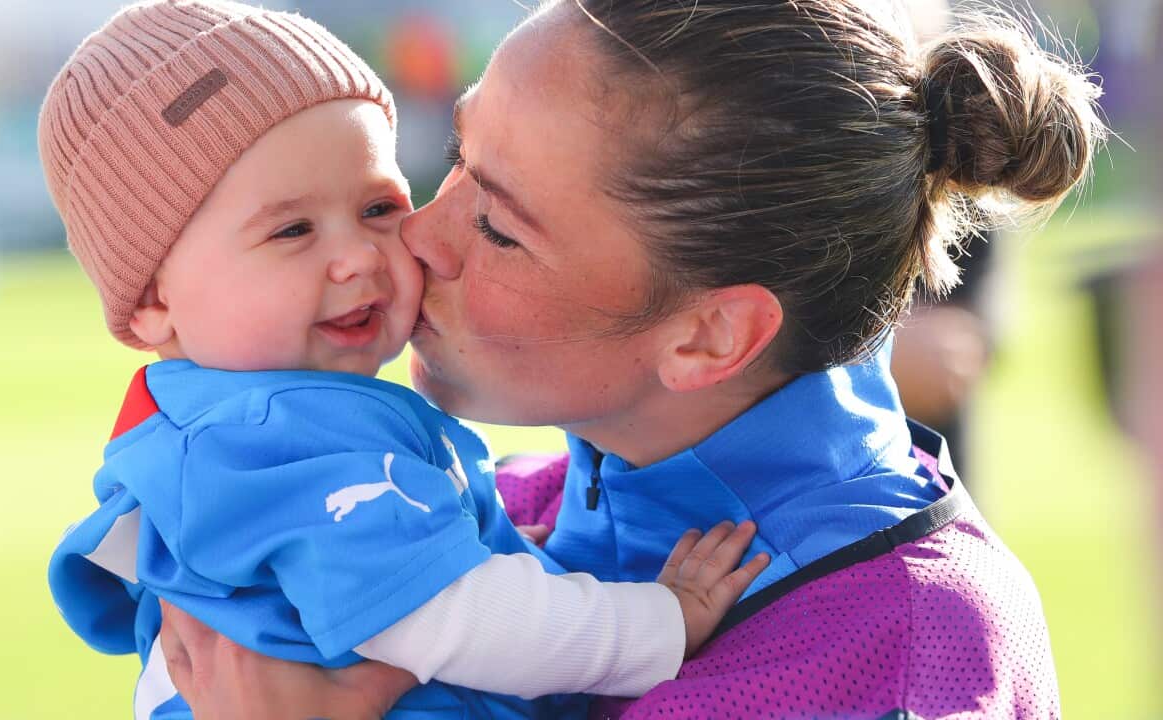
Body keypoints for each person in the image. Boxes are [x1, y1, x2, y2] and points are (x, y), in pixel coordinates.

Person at [157, 0, 1107, 718]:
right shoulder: (476, 514)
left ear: (708, 336)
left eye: (495, 224)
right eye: (456, 153)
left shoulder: (897, 653)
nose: (412, 235)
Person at [39, 2, 772, 719]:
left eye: (378, 208)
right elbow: (459, 619)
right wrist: (660, 622)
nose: (359, 255)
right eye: (293, 230)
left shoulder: (252, 424)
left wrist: (496, 545)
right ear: (152, 304)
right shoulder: (269, 441)